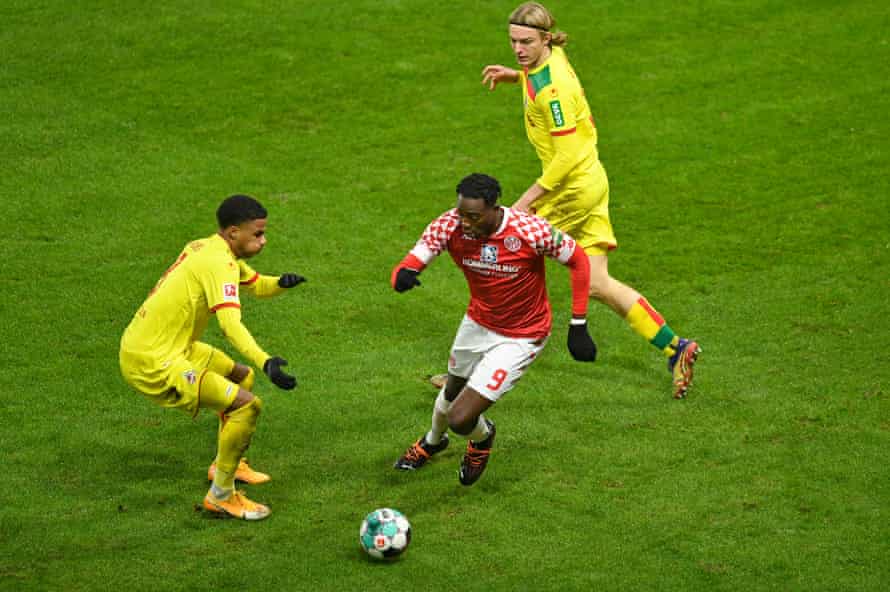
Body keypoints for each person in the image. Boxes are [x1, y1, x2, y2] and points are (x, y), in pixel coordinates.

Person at [468, 1, 701, 399]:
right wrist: (515, 76)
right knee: (597, 283)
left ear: (545, 38)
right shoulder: (551, 58)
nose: (518, 49)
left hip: (571, 189)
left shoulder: (552, 91)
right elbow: (541, 81)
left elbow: (566, 156)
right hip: (593, 181)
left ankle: (470, 372)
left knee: (498, 254)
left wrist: (525, 201)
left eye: (526, 42)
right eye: (513, 41)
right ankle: (676, 348)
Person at [391, 173, 596, 485]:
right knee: (451, 391)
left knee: (461, 417)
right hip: (477, 323)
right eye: (461, 213)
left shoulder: (529, 230)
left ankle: (483, 438)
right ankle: (433, 441)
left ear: (494, 209)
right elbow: (414, 258)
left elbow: (578, 259)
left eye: (473, 216)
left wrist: (578, 323)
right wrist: (404, 274)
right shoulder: (450, 224)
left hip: (522, 336)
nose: (465, 222)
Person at [119, 194, 305, 520]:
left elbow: (256, 284)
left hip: (169, 345)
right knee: (247, 405)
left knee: (240, 377)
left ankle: (226, 465)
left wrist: (281, 284)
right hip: (153, 359)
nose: (264, 240)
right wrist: (266, 361)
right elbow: (230, 325)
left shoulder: (208, 247)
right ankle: (221, 496)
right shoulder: (219, 264)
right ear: (234, 232)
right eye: (258, 234)